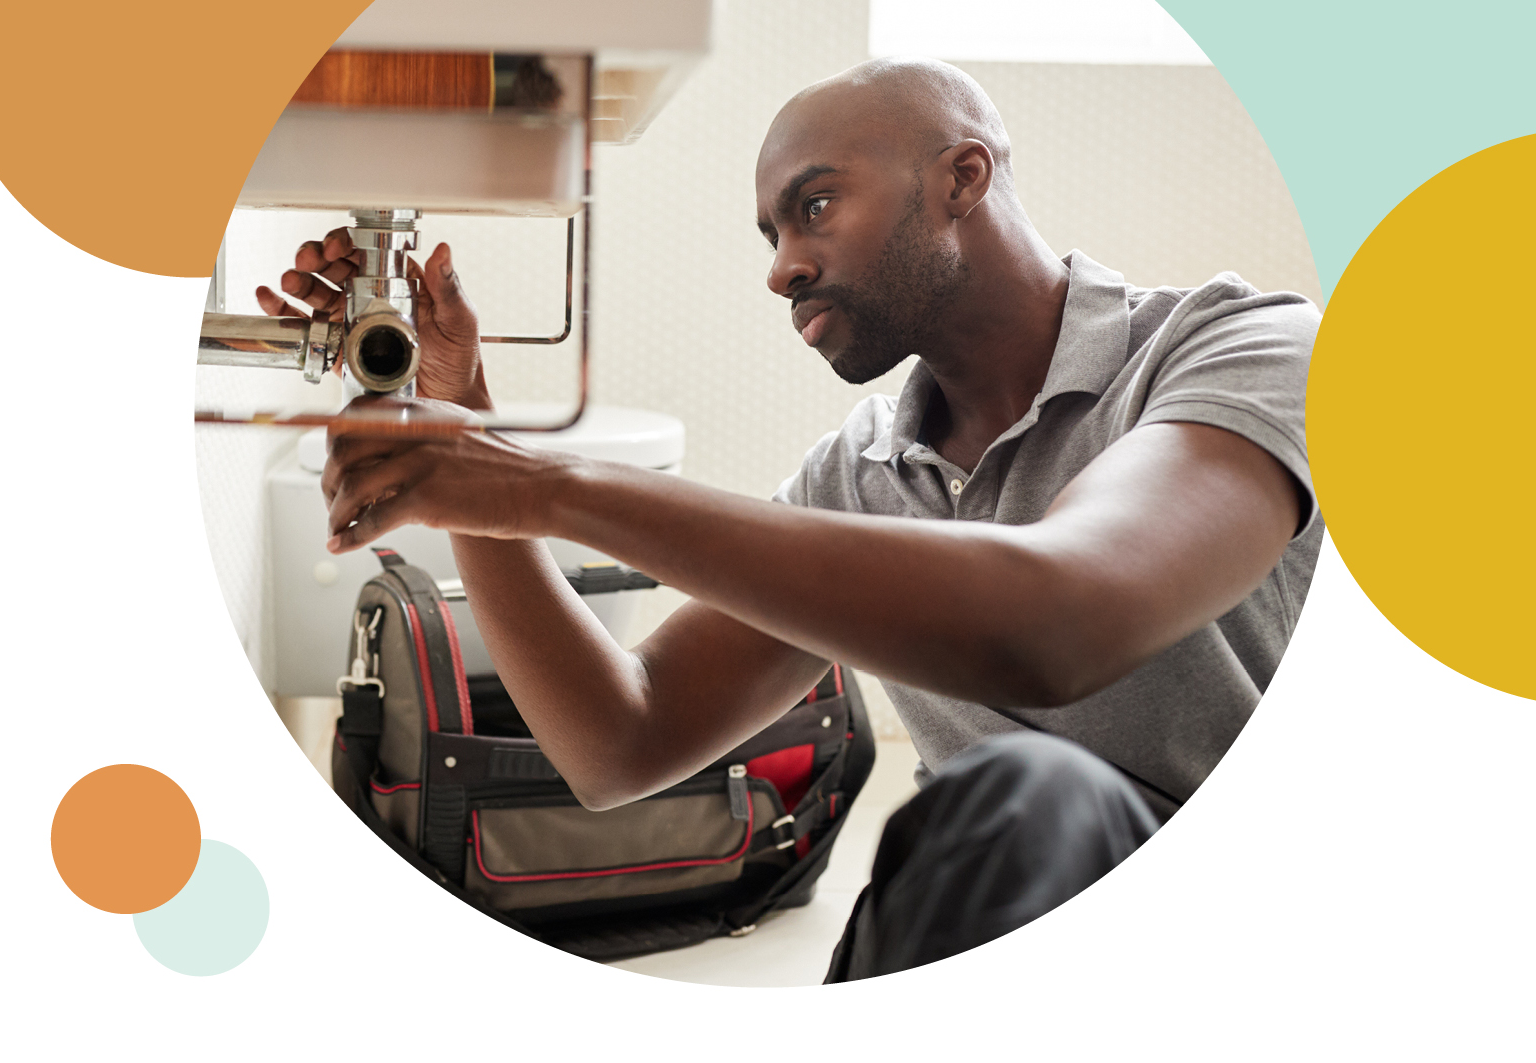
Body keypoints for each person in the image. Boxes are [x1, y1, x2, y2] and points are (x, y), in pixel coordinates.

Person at [256, 57, 1321, 980]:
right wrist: (466, 436)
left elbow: (1060, 623)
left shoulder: (1241, 348)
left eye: (814, 206)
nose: (781, 268)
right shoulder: (860, 470)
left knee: (1025, 793)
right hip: (996, 922)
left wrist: (542, 482)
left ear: (963, 177)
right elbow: (618, 740)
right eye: (770, 232)